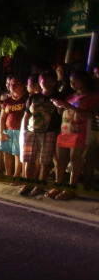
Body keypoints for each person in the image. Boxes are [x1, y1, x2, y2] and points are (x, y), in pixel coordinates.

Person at [49, 68, 99, 200]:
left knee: (75, 160)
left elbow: (90, 114)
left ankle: (71, 189)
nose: (72, 84)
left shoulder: (92, 97)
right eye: (70, 82)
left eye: (74, 81)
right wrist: (59, 107)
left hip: (79, 132)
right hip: (65, 130)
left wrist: (69, 106)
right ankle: (58, 185)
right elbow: (64, 112)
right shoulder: (71, 96)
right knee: (60, 161)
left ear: (83, 81)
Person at [17, 74, 51, 195]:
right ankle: (28, 184)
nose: (46, 83)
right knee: (29, 159)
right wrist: (25, 131)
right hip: (31, 131)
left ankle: (40, 185)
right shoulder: (33, 98)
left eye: (49, 80)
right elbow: (26, 115)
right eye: (43, 81)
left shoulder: (56, 97)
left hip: (48, 131)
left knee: (44, 160)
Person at [0, 73, 28, 181]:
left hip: (21, 132)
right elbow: (2, 118)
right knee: (7, 153)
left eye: (16, 84)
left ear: (22, 85)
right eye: (11, 84)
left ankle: (16, 176)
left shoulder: (26, 99)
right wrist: (1, 133)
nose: (13, 86)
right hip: (8, 131)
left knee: (17, 154)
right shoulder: (7, 101)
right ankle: (9, 175)